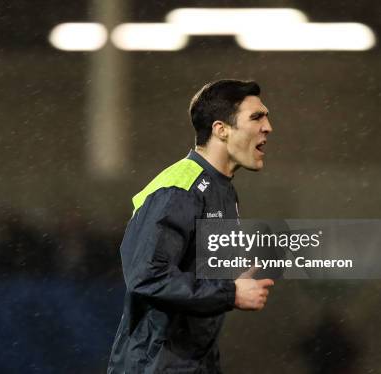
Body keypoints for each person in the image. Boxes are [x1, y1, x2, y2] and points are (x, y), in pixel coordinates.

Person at [108, 79, 275, 373]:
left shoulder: (222, 190)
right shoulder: (179, 188)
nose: (268, 127)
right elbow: (147, 275)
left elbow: (190, 271)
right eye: (256, 117)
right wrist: (230, 294)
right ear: (221, 129)